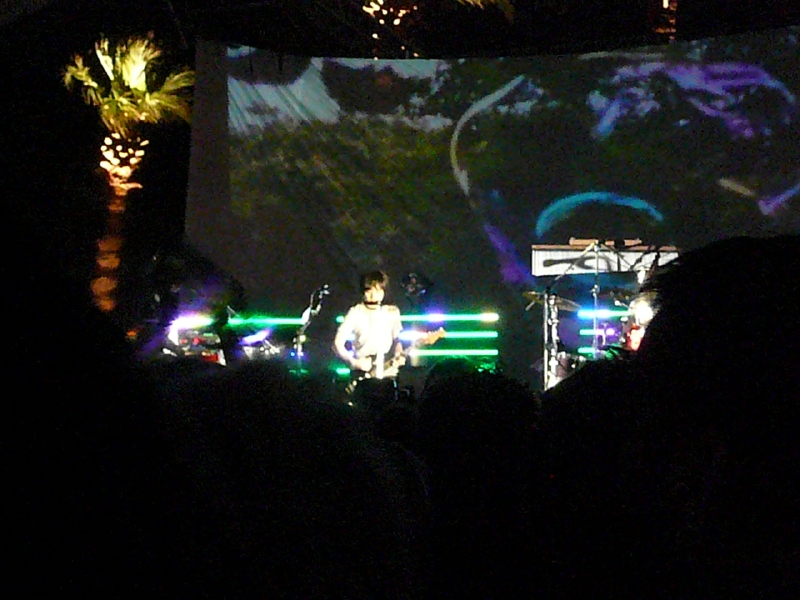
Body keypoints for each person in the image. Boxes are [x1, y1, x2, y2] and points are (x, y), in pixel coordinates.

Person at [334, 270, 406, 387]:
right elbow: (337, 344)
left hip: (388, 371)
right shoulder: (355, 312)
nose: (373, 295)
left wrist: (399, 354)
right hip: (363, 371)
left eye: (378, 290)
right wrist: (354, 362)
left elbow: (396, 339)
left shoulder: (392, 311)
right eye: (369, 290)